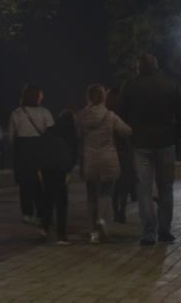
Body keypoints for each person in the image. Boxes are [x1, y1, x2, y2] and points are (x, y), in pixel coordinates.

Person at [119, 53, 181, 246]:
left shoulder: (130, 86)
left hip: (140, 142)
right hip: (165, 141)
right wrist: (175, 135)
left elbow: (121, 114)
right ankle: (165, 230)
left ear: (138, 67)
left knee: (144, 189)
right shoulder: (170, 85)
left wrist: (131, 134)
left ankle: (149, 232)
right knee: (166, 187)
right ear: (156, 65)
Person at [77, 84, 132, 243]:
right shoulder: (110, 115)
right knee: (106, 192)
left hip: (90, 158)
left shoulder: (82, 116)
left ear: (88, 97)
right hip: (108, 158)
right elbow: (126, 131)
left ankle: (93, 232)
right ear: (103, 97)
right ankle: (101, 219)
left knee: (91, 195)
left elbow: (78, 135)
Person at [8, 84, 54, 227]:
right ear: (36, 96)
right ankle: (41, 213)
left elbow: (11, 137)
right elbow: (51, 134)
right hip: (40, 151)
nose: (42, 97)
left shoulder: (16, 113)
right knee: (41, 183)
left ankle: (27, 213)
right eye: (40, 94)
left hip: (23, 151)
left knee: (25, 183)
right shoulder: (45, 113)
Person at [41, 109, 78, 245]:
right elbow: (74, 153)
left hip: (47, 167)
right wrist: (68, 169)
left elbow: (42, 148)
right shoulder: (72, 132)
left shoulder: (50, 129)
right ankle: (61, 235)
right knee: (62, 201)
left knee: (48, 197)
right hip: (61, 168)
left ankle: (44, 228)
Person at [106, 81, 137, 223]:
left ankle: (115, 211)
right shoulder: (125, 111)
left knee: (115, 184)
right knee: (124, 182)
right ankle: (121, 211)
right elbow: (129, 131)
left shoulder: (107, 111)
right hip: (124, 149)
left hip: (111, 150)